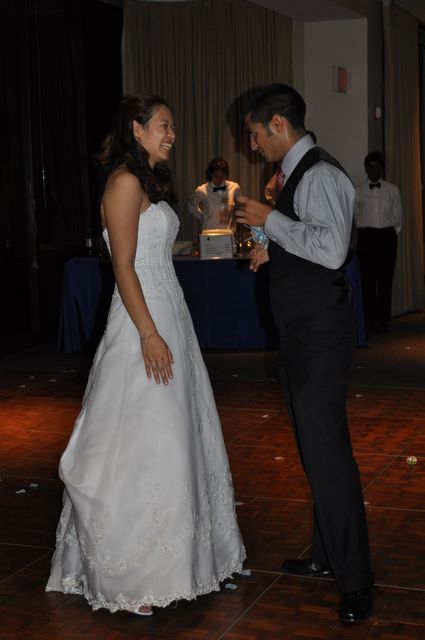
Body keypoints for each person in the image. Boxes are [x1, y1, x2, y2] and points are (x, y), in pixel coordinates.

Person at [46, 94, 245, 616]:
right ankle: (136, 574)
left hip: (169, 315)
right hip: (143, 322)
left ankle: (184, 561)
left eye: (172, 126)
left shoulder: (146, 182)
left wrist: (165, 327)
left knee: (177, 436)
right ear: (136, 130)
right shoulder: (123, 182)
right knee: (144, 439)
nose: (171, 134)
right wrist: (149, 334)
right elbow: (123, 266)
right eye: (163, 125)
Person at [235, 83, 374, 624]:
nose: (252, 145)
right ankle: (326, 554)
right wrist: (272, 250)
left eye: (254, 134)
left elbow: (333, 250)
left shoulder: (320, 174)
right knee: (316, 449)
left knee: (328, 454)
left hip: (320, 334)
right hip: (302, 331)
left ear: (278, 124)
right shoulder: (295, 175)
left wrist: (267, 219)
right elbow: (309, 239)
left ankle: (355, 580)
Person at [354, 151, 402, 333]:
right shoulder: (358, 190)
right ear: (366, 168)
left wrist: (391, 234)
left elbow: (398, 217)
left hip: (386, 238)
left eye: (376, 166)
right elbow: (355, 215)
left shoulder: (392, 190)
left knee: (385, 280)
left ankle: (383, 319)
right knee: (367, 280)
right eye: (370, 166)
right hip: (366, 237)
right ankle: (369, 319)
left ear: (381, 168)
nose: (373, 169)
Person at [187, 157, 241, 230]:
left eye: (222, 177)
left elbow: (239, 207)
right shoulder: (202, 190)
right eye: (216, 177)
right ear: (210, 174)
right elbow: (191, 206)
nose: (219, 180)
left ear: (226, 175)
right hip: (208, 231)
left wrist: (234, 220)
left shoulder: (234, 188)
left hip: (229, 232)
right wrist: (204, 217)